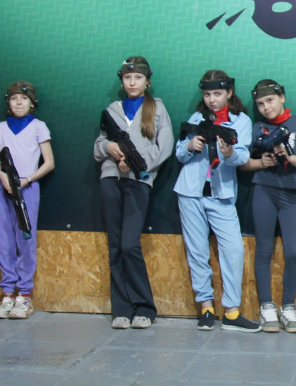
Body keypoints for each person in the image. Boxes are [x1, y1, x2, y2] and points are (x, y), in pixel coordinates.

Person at [173, 71, 258, 333]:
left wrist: (229, 152)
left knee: (233, 250)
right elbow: (179, 153)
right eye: (207, 94)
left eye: (218, 94)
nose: (212, 99)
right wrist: (190, 146)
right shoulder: (196, 118)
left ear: (229, 93)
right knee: (197, 251)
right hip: (190, 191)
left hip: (221, 194)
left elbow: (242, 156)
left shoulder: (241, 121)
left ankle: (231, 311)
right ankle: (206, 308)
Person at [94, 56, 173, 330]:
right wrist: (108, 148)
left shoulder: (157, 109)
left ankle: (144, 308)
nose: (132, 82)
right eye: (127, 77)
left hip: (139, 181)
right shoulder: (112, 110)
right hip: (110, 180)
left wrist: (136, 162)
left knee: (130, 244)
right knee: (116, 246)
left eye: (138, 77)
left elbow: (164, 147)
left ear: (147, 81)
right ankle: (122, 309)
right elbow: (98, 144)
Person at [240, 79, 296, 334]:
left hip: (292, 195)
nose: (266, 107)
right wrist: (261, 162)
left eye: (270, 100)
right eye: (260, 104)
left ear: (282, 97)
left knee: (293, 252)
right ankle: (266, 307)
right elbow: (242, 163)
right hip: (264, 191)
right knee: (264, 250)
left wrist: (289, 157)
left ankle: (288, 307)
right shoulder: (256, 128)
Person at [0, 81, 55, 320]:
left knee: (25, 237)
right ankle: (7, 294)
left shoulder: (38, 127)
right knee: (4, 237)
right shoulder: (0, 128)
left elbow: (49, 163)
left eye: (23, 99)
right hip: (2, 188)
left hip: (27, 188)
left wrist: (27, 179)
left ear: (32, 103)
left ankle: (24, 295)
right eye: (14, 99)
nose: (18, 103)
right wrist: (2, 176)